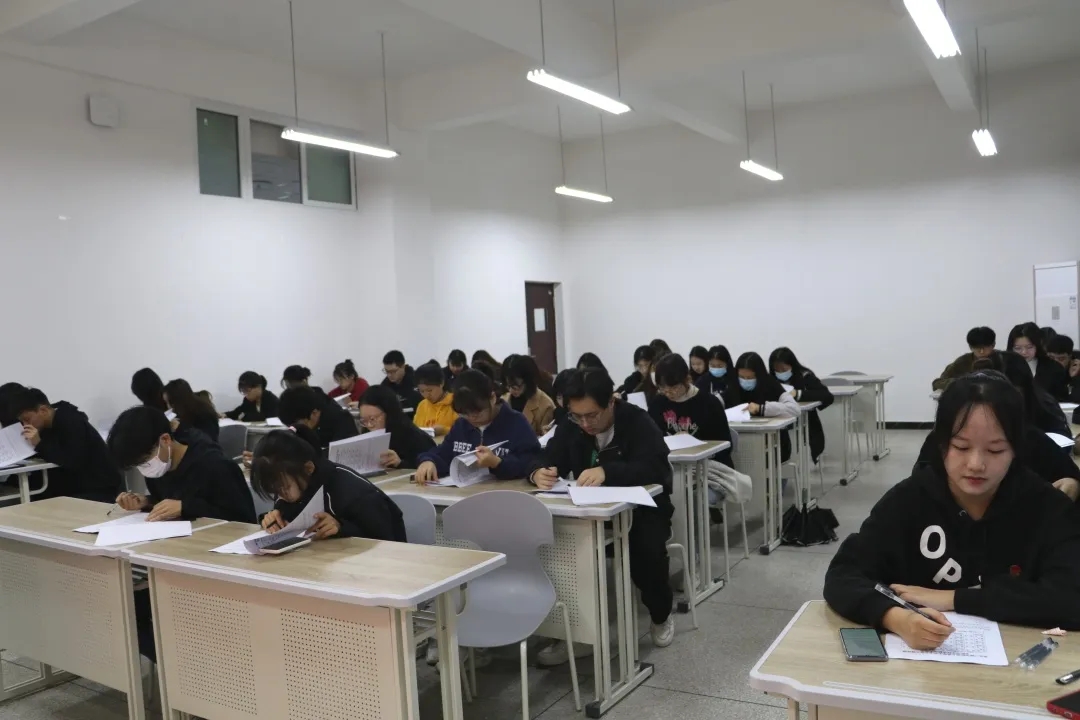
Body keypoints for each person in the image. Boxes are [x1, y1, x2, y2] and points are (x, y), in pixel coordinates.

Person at [824, 372, 1080, 649]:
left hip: (1021, 661)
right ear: (942, 443)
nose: (976, 464)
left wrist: (955, 598)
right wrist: (894, 617)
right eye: (961, 447)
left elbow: (1071, 599)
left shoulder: (1046, 507)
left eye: (995, 451)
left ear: (1016, 449)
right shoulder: (910, 500)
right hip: (921, 665)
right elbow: (844, 574)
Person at [529, 368, 676, 663]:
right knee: (559, 551)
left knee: (646, 553)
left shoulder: (636, 421)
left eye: (592, 415)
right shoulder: (571, 425)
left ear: (611, 401)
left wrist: (608, 471)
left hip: (642, 512)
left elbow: (657, 469)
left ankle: (660, 614)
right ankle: (581, 633)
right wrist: (537, 472)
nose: (585, 424)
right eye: (577, 416)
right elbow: (546, 455)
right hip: (589, 514)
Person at [108, 405, 255, 523]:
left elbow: (244, 519)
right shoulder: (161, 468)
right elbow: (169, 499)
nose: (143, 469)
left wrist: (186, 507)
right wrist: (147, 501)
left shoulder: (215, 465)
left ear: (165, 440)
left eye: (144, 461)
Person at [251, 430, 406, 541]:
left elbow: (385, 539)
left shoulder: (355, 492)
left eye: (284, 488)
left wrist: (342, 528)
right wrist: (272, 520)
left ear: (308, 468)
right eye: (274, 490)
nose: (280, 496)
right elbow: (293, 519)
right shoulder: (290, 481)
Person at [414, 370, 540, 485]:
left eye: (477, 413)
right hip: (465, 493)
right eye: (465, 414)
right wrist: (428, 461)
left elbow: (531, 462)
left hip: (506, 494)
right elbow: (443, 453)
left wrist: (498, 463)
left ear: (492, 398)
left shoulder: (516, 423)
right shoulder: (461, 425)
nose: (472, 418)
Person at [10, 388, 122, 502]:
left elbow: (73, 460)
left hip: (98, 487)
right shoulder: (46, 426)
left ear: (43, 410)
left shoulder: (71, 421)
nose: (25, 424)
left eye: (27, 419)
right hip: (77, 485)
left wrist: (39, 443)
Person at [650, 354, 733, 466]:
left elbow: (725, 446)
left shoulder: (709, 403)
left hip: (706, 465)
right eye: (663, 389)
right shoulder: (657, 404)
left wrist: (692, 443)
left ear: (687, 379)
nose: (668, 393)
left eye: (674, 388)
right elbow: (651, 441)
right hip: (671, 466)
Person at [729, 352, 799, 461]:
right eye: (742, 377)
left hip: (773, 444)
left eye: (750, 377)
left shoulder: (771, 384)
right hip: (742, 445)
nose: (745, 381)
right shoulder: (733, 386)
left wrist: (761, 409)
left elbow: (794, 409)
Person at [769, 347, 834, 463]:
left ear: (792, 365)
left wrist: (798, 394)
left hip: (804, 423)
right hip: (778, 423)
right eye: (777, 370)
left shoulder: (805, 377)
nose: (781, 373)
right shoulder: (771, 380)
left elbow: (827, 395)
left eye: (784, 369)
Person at [357, 386, 436, 470]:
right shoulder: (367, 435)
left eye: (373, 419)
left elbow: (433, 466)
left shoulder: (415, 438)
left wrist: (400, 463)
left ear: (389, 414)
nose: (369, 425)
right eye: (364, 420)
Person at [278, 387, 358, 449]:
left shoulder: (341, 420)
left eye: (297, 425)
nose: (294, 429)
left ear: (314, 413)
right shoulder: (307, 413)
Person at [1008, 322, 1069, 400]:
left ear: (1038, 345)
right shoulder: (1004, 367)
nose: (1024, 352)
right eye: (1018, 348)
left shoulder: (1054, 368)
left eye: (1029, 347)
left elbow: (1062, 399)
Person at [503, 355, 556, 436]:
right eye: (508, 386)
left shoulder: (546, 406)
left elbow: (545, 439)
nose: (511, 390)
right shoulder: (503, 400)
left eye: (515, 387)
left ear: (528, 381)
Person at [931, 326, 997, 391]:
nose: (982, 351)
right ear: (970, 347)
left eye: (985, 347)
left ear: (993, 345)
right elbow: (937, 382)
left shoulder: (1002, 359)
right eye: (977, 347)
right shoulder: (962, 361)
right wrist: (961, 383)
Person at [413, 362, 458, 437]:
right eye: (421, 391)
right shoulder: (422, 406)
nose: (426, 395)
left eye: (429, 390)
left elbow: (466, 433)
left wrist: (444, 431)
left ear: (441, 383)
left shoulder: (456, 403)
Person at [381, 350, 423, 416]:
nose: (389, 375)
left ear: (403, 367)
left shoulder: (417, 382)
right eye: (387, 371)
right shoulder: (385, 386)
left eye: (393, 371)